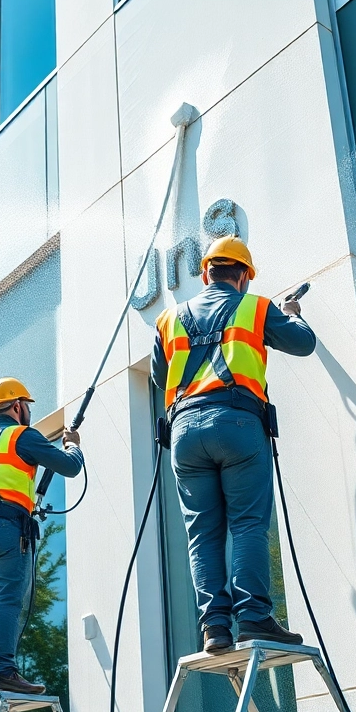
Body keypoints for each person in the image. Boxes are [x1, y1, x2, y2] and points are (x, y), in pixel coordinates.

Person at [151, 236, 315, 653]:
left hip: (186, 432)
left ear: (205, 273)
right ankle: (255, 618)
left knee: (202, 533)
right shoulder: (256, 306)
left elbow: (158, 376)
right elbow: (303, 344)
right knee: (246, 524)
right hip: (238, 423)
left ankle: (215, 628)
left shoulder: (168, 320)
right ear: (243, 275)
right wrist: (293, 314)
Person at [0, 378, 83, 699]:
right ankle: (1, 671)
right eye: (26, 405)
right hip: (4, 527)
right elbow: (69, 467)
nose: (27, 411)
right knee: (8, 599)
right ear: (16, 406)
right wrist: (73, 445)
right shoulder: (21, 435)